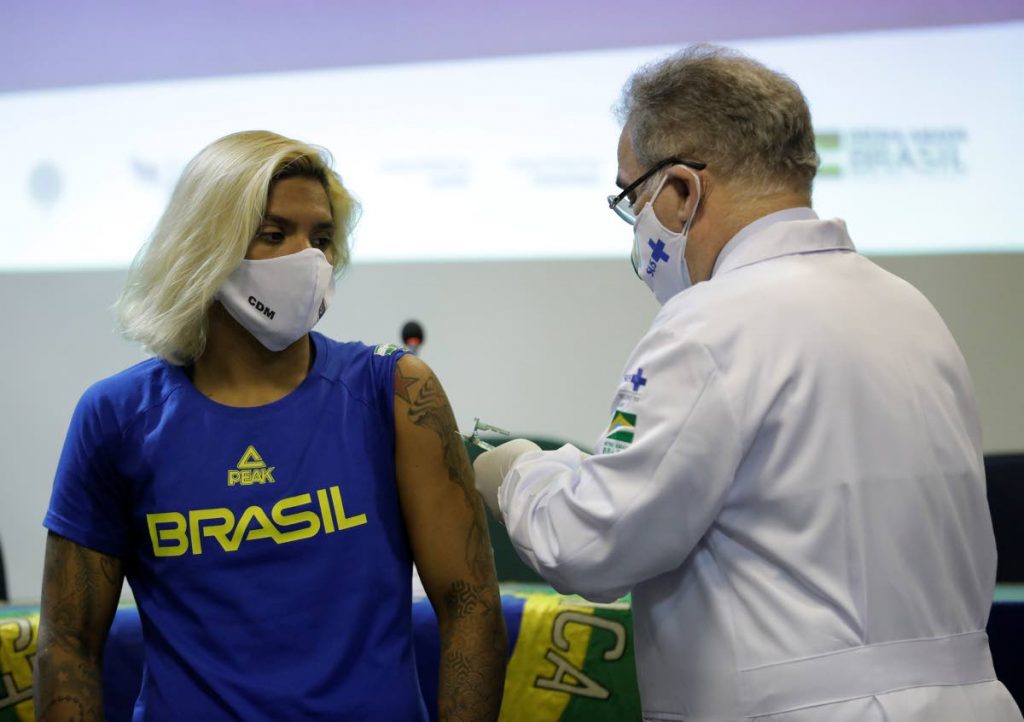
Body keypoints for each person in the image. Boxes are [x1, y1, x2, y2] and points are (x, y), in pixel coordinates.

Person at [473, 45, 1022, 721]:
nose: (637, 223)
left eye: (631, 197)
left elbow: (589, 546)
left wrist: (516, 470)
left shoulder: (710, 324)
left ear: (678, 191)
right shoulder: (909, 308)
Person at [36, 130, 507, 721]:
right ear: (207, 244)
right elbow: (69, 645)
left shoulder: (395, 393)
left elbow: (471, 607)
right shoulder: (116, 416)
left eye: (323, 237)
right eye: (274, 234)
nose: (309, 258)